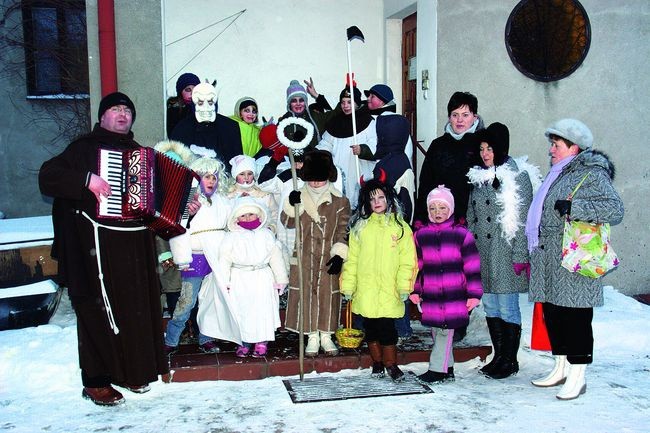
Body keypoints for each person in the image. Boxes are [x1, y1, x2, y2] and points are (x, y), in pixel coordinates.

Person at [38, 92, 168, 406]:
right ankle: (95, 382)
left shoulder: (142, 154)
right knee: (97, 311)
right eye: (115, 109)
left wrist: (182, 207)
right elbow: (48, 177)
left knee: (134, 310)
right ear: (102, 117)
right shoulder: (83, 149)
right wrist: (87, 180)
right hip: (94, 247)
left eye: (127, 109)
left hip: (134, 245)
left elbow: (157, 200)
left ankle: (132, 373)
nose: (123, 114)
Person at [526, 119, 624, 400]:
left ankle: (578, 375)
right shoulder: (558, 173)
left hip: (575, 259)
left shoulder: (591, 173)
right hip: (551, 257)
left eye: (556, 145)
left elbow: (615, 210)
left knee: (576, 316)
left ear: (574, 147)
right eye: (552, 144)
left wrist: (575, 207)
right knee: (555, 314)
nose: (551, 150)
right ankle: (561, 367)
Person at [466, 123, 535, 379]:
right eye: (482, 148)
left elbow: (523, 220)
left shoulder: (518, 177)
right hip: (483, 252)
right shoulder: (478, 177)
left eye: (490, 148)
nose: (485, 153)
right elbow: (471, 214)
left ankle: (510, 360)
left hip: (506, 253)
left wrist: (520, 256)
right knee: (491, 305)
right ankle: (498, 356)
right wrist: (471, 239)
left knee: (507, 307)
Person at [340, 178, 417, 382]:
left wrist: (404, 285)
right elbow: (352, 260)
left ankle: (391, 363)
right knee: (370, 328)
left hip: (389, 289)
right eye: (372, 199)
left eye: (381, 197)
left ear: (389, 199)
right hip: (366, 289)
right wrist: (348, 285)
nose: (377, 202)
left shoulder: (400, 228)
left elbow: (408, 261)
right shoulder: (360, 228)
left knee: (388, 328)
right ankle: (377, 362)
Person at [410, 185, 483, 384]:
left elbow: (472, 265)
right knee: (437, 329)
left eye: (442, 208)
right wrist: (415, 289)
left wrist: (474, 294)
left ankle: (437, 370)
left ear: (450, 209)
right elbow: (417, 266)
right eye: (433, 208)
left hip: (454, 293)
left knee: (445, 331)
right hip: (432, 293)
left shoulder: (461, 234)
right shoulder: (421, 235)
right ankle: (447, 368)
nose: (437, 213)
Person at [281, 150, 350, 357]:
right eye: (312, 179)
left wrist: (339, 254)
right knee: (307, 295)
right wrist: (291, 205)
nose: (316, 184)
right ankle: (311, 335)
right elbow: (287, 223)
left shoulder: (340, 201)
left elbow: (343, 229)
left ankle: (327, 335)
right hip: (304, 256)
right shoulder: (299, 195)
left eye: (320, 179)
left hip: (328, 256)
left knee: (328, 296)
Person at [165, 155, 233, 355]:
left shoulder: (224, 201)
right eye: (205, 176)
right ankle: (171, 339)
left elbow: (233, 223)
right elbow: (178, 229)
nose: (211, 181)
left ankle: (207, 338)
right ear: (196, 178)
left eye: (214, 177)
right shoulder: (187, 200)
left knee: (210, 301)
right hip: (194, 257)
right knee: (187, 302)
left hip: (218, 258)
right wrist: (181, 258)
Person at [216, 197, 288, 357]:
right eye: (243, 215)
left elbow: (276, 258)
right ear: (236, 218)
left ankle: (262, 341)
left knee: (262, 311)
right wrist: (224, 282)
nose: (247, 218)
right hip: (240, 278)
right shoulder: (231, 237)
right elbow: (224, 261)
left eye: (251, 214)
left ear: (259, 215)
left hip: (262, 278)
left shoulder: (266, 235)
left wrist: (281, 279)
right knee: (242, 310)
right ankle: (244, 341)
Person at [415, 91, 484, 225]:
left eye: (465, 115)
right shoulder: (438, 145)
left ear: (474, 117)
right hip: (441, 218)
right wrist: (420, 220)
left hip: (473, 220)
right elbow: (425, 184)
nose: (459, 120)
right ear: (449, 117)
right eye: (455, 115)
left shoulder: (481, 145)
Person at [152, 140, 197, 318]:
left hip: (180, 241)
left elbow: (191, 220)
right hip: (156, 242)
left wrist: (192, 212)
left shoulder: (189, 187)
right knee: (164, 280)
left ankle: (184, 325)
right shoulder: (151, 187)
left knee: (178, 284)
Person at [317, 81, 377, 203]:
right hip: (339, 169)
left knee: (359, 200)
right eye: (343, 102)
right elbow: (326, 143)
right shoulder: (335, 122)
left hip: (359, 168)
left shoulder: (367, 121)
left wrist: (363, 149)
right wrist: (321, 154)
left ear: (357, 103)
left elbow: (375, 142)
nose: (346, 106)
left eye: (349, 102)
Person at [170, 81, 243, 171]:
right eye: (200, 103)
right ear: (194, 104)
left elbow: (238, 166)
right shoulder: (181, 129)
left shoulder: (230, 128)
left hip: (224, 181)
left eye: (210, 102)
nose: (206, 107)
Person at [227, 154, 279, 234]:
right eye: (242, 174)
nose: (246, 177)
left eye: (250, 174)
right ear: (235, 175)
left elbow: (275, 215)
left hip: (261, 238)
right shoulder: (228, 196)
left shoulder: (264, 195)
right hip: (236, 239)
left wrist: (271, 229)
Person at [166, 72, 201, 137]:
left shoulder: (203, 107)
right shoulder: (174, 109)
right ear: (180, 92)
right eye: (188, 90)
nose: (192, 93)